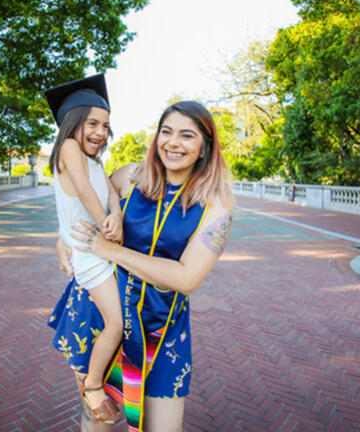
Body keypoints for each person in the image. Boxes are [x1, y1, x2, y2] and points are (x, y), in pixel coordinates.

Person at [49, 100, 235, 432]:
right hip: (103, 312)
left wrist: (111, 251)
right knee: (98, 420)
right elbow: (78, 197)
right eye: (166, 132)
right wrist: (62, 238)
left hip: (161, 326)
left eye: (187, 136)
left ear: (205, 147)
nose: (173, 143)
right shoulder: (132, 176)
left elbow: (187, 278)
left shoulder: (216, 203)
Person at [43, 74, 125, 424]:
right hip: (91, 255)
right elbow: (87, 193)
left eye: (105, 126)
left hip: (98, 248)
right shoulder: (68, 149)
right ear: (71, 123)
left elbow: (109, 192)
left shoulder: (95, 161)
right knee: (116, 323)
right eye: (92, 123)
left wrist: (117, 213)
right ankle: (93, 386)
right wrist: (109, 237)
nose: (100, 132)